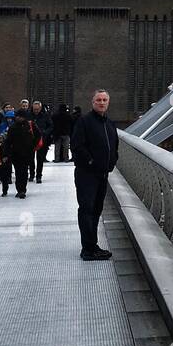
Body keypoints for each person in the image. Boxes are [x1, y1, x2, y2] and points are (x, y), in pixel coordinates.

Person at [70, 90, 117, 260]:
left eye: (105, 100)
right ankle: (88, 249)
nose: (102, 102)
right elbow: (76, 146)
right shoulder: (84, 122)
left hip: (103, 174)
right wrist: (90, 161)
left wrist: (112, 162)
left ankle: (93, 245)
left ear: (108, 102)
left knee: (96, 210)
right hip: (86, 174)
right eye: (99, 100)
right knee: (87, 209)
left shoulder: (110, 123)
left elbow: (114, 146)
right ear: (93, 102)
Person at [3, 107, 34, 199]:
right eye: (17, 116)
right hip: (16, 154)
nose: (18, 118)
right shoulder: (13, 127)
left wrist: (32, 147)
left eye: (20, 116)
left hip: (27, 153)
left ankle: (23, 189)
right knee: (18, 172)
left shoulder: (30, 126)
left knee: (24, 172)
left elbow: (37, 136)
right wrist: (5, 153)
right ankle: (20, 190)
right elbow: (8, 141)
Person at [0, 106, 16, 195]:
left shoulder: (14, 126)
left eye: (11, 118)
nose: (9, 120)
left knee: (6, 170)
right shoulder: (2, 126)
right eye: (8, 118)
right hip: (0, 149)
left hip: (9, 149)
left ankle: (5, 188)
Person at [30, 101, 53, 182]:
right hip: (30, 139)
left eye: (37, 109)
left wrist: (45, 132)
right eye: (34, 109)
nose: (36, 111)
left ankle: (39, 175)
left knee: (40, 159)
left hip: (41, 139)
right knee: (30, 158)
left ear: (40, 108)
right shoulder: (29, 115)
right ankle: (32, 174)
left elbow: (51, 126)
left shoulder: (45, 116)